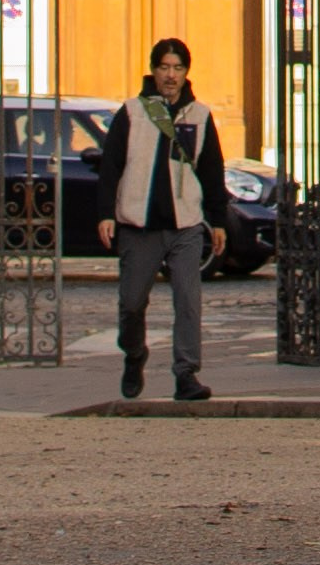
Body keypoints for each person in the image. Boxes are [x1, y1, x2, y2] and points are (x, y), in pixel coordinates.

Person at [92, 37, 228, 406]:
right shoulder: (133, 112)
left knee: (188, 298)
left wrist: (218, 221)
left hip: (185, 225)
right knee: (132, 302)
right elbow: (111, 166)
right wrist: (106, 213)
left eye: (178, 68)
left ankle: (186, 373)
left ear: (187, 73)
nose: (171, 75)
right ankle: (134, 354)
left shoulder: (198, 115)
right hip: (139, 225)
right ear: (153, 70)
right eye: (165, 67)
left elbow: (213, 171)